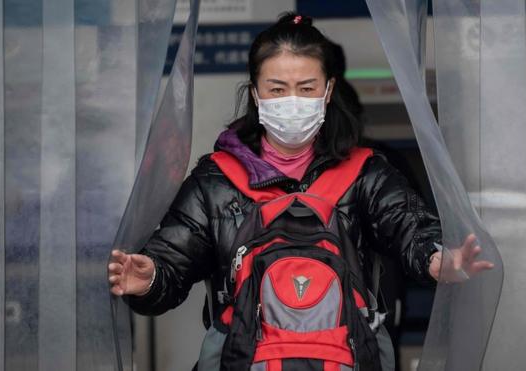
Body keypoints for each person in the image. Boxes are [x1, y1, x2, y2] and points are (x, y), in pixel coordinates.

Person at [108, 12, 493, 370]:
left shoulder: (365, 174)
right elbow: (172, 263)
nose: (291, 101)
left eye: (306, 88)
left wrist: (434, 257)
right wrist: (151, 278)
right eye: (277, 89)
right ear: (256, 95)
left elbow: (407, 224)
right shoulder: (216, 181)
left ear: (328, 91)